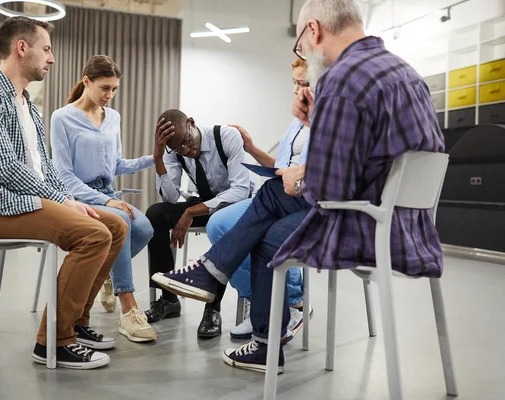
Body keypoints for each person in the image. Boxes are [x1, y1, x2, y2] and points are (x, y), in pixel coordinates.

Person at [152, 0, 445, 373]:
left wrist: (297, 176)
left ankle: (254, 329)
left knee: (269, 218)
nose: (303, 54)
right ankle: (222, 286)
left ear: (314, 30)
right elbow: (371, 159)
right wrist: (316, 123)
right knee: (272, 199)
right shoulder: (405, 72)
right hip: (410, 222)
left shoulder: (343, 78)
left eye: (300, 45)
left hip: (365, 225)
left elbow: (328, 187)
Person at [0, 16, 128, 370]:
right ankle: (56, 341)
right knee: (94, 234)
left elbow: (46, 168)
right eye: (46, 49)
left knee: (116, 226)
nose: (51, 58)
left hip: (29, 200)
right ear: (22, 48)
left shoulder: (28, 105)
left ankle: (76, 324)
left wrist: (71, 198)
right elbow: (3, 167)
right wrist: (62, 200)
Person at [50, 55, 156, 343]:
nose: (109, 95)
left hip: (107, 192)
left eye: (114, 89)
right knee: (121, 219)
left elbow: (116, 164)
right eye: (104, 88)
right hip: (78, 196)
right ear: (87, 81)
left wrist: (153, 158)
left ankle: (106, 269)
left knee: (145, 228)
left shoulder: (114, 117)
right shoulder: (62, 118)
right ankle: (128, 309)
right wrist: (106, 202)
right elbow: (63, 175)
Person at [207, 58, 314, 341]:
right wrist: (252, 149)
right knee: (218, 224)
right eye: (294, 83)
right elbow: (280, 166)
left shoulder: (331, 123)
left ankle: (293, 303)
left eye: (303, 84)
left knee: (263, 231)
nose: (296, 91)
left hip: (302, 197)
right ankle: (262, 304)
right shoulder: (296, 122)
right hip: (280, 191)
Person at [145, 109, 254, 338]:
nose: (186, 150)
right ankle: (168, 300)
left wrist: (192, 212)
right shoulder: (173, 150)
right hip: (204, 204)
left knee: (221, 220)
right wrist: (158, 158)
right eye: (178, 148)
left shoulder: (226, 137)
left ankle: (212, 309)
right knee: (155, 213)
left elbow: (240, 191)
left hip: (234, 206)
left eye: (186, 142)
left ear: (192, 124)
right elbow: (171, 197)